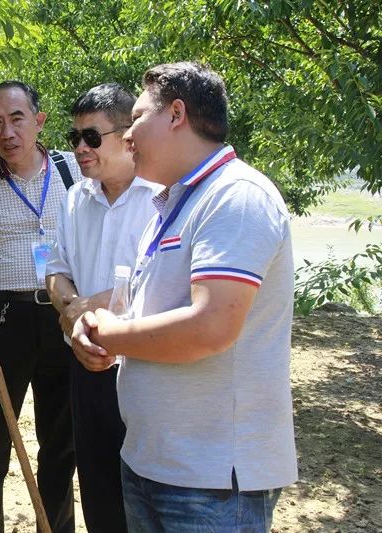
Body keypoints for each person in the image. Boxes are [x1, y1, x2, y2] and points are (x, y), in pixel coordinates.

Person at [72, 62, 298, 532]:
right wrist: (91, 326)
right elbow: (141, 308)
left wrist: (113, 337)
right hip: (153, 460)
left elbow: (210, 325)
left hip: (211, 477)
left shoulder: (235, 196)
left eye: (135, 117)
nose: (128, 134)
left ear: (176, 113)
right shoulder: (172, 204)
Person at [0, 80, 81, 533]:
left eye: (18, 118)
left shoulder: (73, 172)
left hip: (65, 314)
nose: (8, 131)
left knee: (60, 442)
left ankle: (56, 528)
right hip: (3, 317)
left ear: (39, 121)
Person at [45, 83, 163, 532]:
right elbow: (55, 270)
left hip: (144, 366)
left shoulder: (162, 197)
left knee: (145, 495)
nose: (79, 148)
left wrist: (91, 304)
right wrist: (71, 306)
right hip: (85, 364)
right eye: (74, 137)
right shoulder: (76, 199)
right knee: (96, 487)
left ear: (127, 134)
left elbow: (159, 285)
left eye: (91, 137)